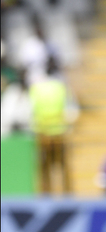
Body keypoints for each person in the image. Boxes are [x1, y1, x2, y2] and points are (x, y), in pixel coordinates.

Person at [29, 57, 75, 195]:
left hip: (42, 135)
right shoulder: (61, 87)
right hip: (59, 134)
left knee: (44, 170)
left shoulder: (36, 88)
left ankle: (46, 196)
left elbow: (30, 111)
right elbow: (71, 111)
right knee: (63, 169)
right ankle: (68, 196)